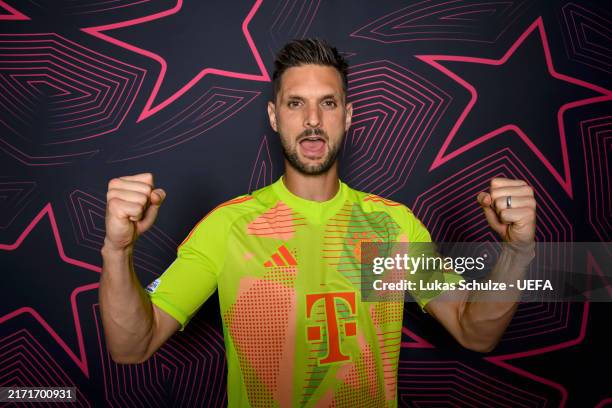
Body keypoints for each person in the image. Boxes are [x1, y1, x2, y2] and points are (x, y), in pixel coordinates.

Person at [100, 38, 536, 407]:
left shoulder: (392, 227)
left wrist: (517, 252)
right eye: (296, 104)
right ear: (274, 117)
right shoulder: (228, 226)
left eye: (328, 103)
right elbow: (132, 347)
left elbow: (473, 331)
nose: (312, 120)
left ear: (347, 116)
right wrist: (118, 251)